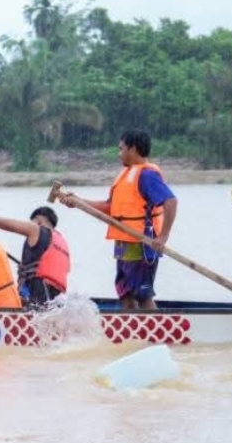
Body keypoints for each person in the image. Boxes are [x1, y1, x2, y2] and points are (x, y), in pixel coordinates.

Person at [58, 129, 177, 310]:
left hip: (142, 243)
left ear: (133, 149)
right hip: (124, 242)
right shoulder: (126, 175)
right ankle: (134, 332)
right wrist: (79, 202)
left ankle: (155, 334)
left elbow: (171, 201)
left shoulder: (147, 176)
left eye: (121, 149)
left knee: (142, 293)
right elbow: (109, 207)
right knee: (125, 292)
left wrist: (163, 237)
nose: (118, 153)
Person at [0, 206, 70, 307]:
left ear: (39, 221)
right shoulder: (60, 241)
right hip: (55, 297)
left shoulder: (35, 229)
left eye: (31, 222)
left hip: (37, 292)